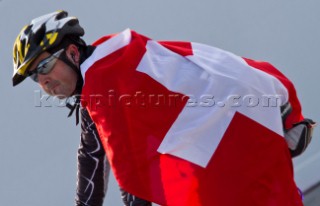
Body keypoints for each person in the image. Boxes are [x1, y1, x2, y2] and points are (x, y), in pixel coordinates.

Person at [12, 10, 316, 206]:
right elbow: (92, 154)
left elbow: (128, 172)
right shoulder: (118, 58)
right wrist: (282, 104)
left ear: (73, 52)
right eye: (34, 78)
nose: (44, 83)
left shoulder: (105, 81)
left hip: (226, 144)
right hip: (241, 132)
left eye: (45, 67)